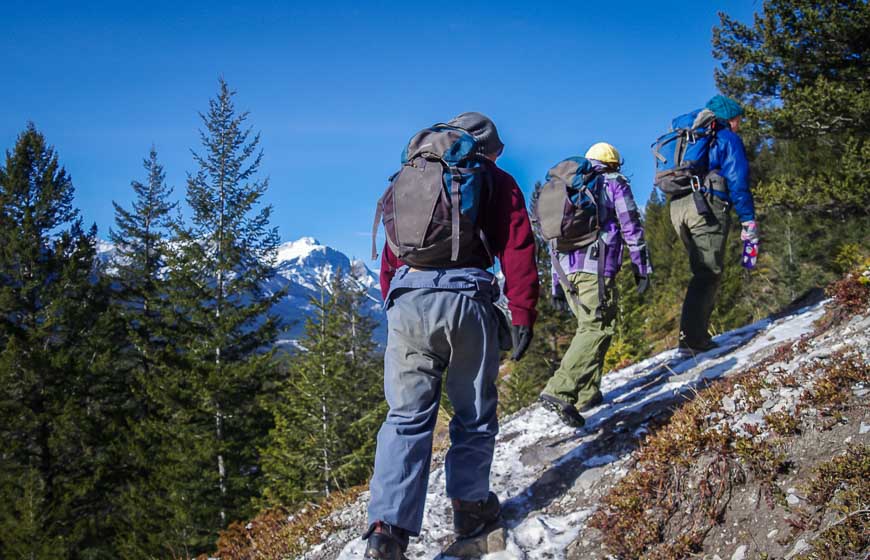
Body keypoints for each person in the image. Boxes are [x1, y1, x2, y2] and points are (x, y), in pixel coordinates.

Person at [363, 112, 539, 559]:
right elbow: (517, 248)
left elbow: (392, 253)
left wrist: (396, 306)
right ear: (490, 149)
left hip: (408, 302)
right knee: (473, 413)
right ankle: (470, 508)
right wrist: (522, 312)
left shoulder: (413, 178)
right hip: (466, 302)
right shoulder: (496, 181)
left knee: (405, 417)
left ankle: (387, 530)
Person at [538, 142, 651, 428]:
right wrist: (642, 267)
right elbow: (630, 225)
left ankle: (588, 392)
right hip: (595, 269)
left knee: (591, 326)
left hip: (566, 273)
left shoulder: (567, 187)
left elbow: (554, 240)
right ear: (614, 164)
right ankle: (560, 390)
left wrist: (555, 284)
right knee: (597, 327)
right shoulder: (613, 183)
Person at [671, 95, 757, 354]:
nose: (739, 125)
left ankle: (692, 335)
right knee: (708, 272)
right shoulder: (726, 137)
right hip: (706, 204)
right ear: (730, 119)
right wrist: (747, 218)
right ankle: (693, 341)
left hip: (677, 206)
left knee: (701, 270)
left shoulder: (687, 136)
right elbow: (737, 179)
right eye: (738, 120)